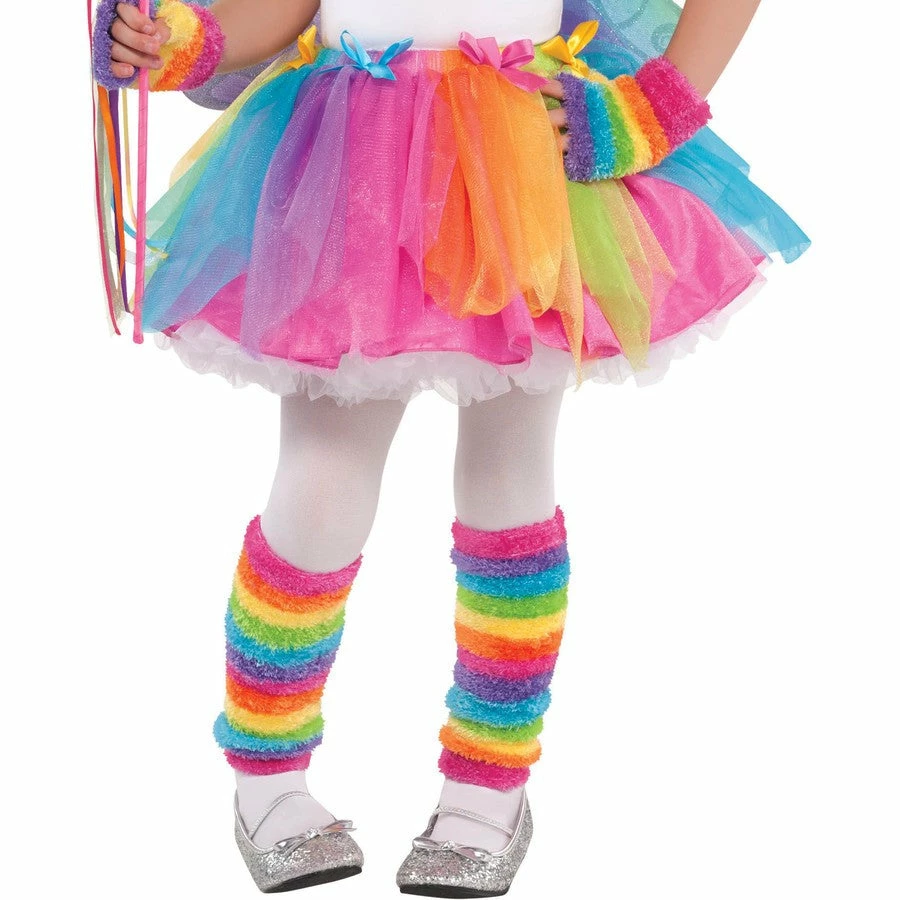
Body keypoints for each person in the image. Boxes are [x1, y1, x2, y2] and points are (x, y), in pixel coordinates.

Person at [90, 0, 809, 893]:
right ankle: (267, 773)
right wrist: (185, 41)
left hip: (523, 153)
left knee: (509, 477)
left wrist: (657, 104)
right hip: (354, 154)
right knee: (321, 485)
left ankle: (488, 783)